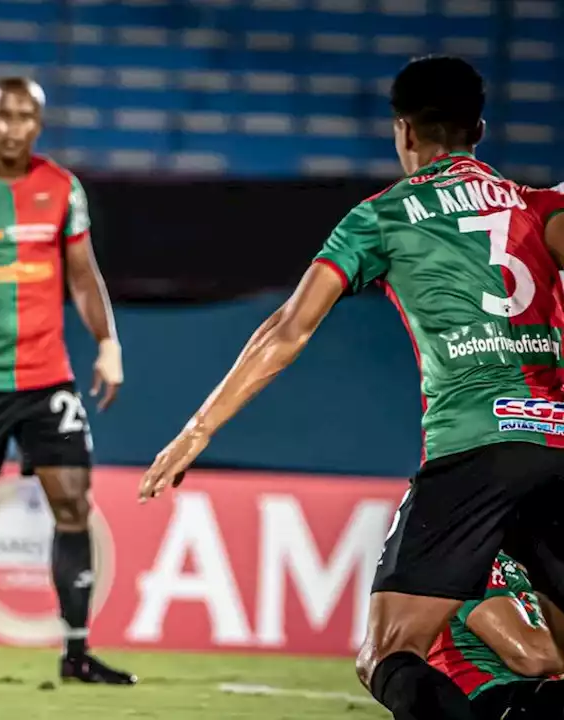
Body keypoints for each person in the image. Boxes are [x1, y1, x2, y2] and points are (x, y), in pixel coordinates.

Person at [138, 55, 564, 720]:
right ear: (479, 127)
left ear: (402, 132)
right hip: (557, 445)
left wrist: (199, 428)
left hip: (474, 444)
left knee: (388, 653)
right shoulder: (541, 207)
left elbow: (288, 329)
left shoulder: (382, 216)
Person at [0, 76, 133, 685]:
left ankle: (77, 653)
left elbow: (84, 276)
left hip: (47, 380)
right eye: (1, 116)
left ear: (38, 124)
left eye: (24, 117)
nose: (12, 127)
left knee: (72, 503)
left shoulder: (62, 187)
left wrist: (109, 344)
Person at [428, 552, 564, 719]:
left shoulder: (537, 564)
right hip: (490, 696)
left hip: (533, 695)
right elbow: (533, 656)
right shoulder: (474, 559)